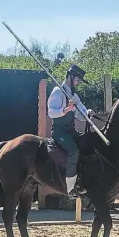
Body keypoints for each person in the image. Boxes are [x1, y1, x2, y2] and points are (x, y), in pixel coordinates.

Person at [47, 64, 94, 198]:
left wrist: (88, 113)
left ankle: (82, 180)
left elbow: (81, 113)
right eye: (77, 80)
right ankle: (70, 188)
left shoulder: (74, 96)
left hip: (71, 131)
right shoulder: (58, 91)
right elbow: (51, 112)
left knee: (88, 144)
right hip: (59, 132)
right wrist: (66, 109)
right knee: (73, 151)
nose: (78, 83)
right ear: (71, 76)